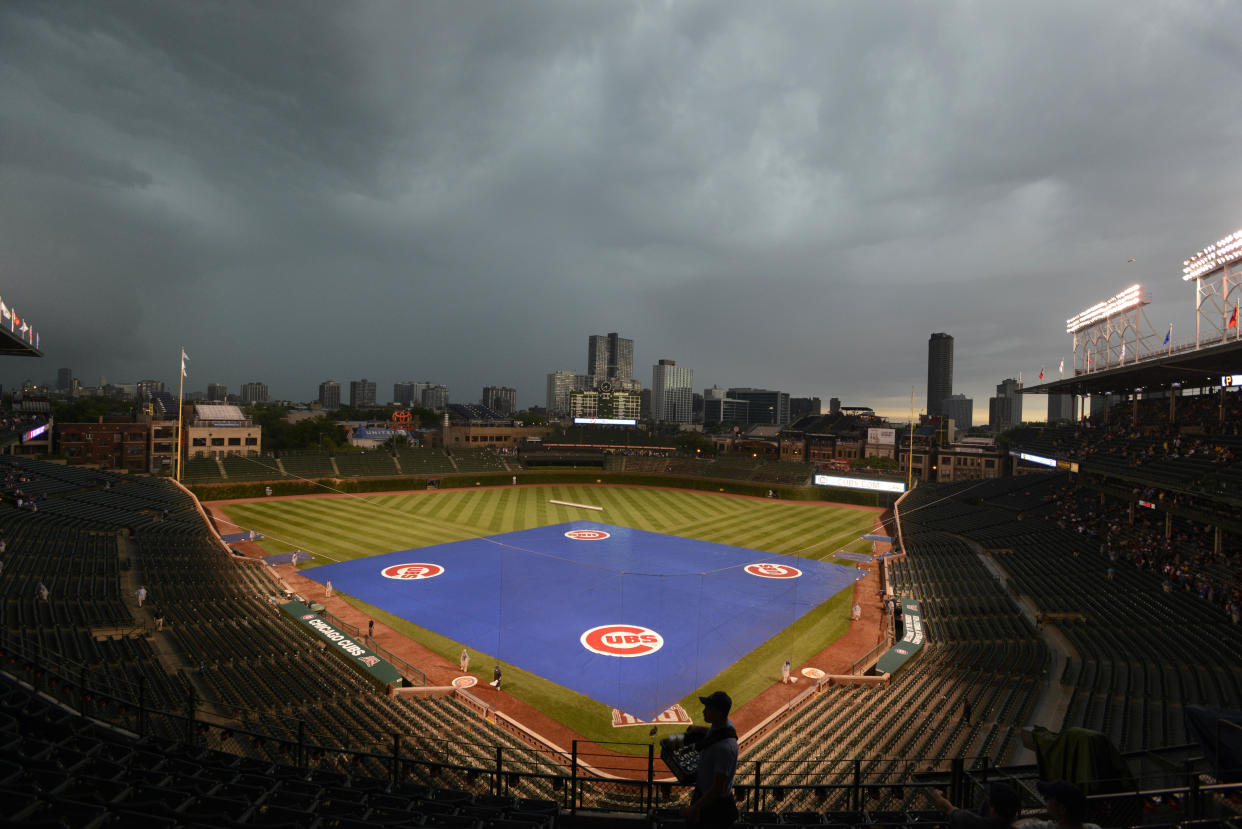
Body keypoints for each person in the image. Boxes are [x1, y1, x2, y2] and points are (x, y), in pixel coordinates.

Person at [681, 690, 739, 829]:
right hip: (705, 796)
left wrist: (694, 809)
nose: (704, 711)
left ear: (718, 713)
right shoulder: (725, 726)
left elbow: (718, 788)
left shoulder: (725, 749)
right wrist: (699, 729)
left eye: (708, 709)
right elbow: (715, 734)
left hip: (714, 808)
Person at [931, 781, 1021, 829]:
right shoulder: (1018, 824)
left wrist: (938, 797)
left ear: (993, 810)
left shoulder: (975, 823)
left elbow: (949, 809)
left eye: (989, 802)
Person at [1017, 780, 1099, 829]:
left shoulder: (1042, 827)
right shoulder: (1093, 827)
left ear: (1062, 809)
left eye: (1047, 798)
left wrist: (1034, 821)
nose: (1045, 801)